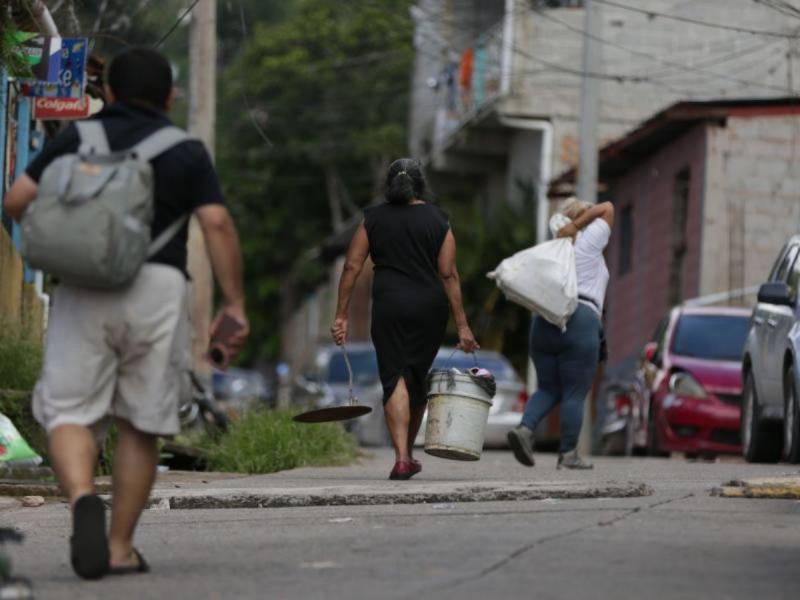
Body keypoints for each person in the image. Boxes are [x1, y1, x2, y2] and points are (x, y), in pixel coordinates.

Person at [3, 47, 249, 579]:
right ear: (169, 97)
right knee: (139, 422)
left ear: (108, 92)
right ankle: (118, 548)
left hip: (81, 287)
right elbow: (217, 225)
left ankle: (82, 498)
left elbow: (18, 198)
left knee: (68, 409)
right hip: (156, 287)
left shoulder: (78, 136)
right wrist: (234, 303)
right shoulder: (185, 150)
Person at [330, 158, 479, 480]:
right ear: (421, 184)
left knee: (394, 377)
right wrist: (463, 325)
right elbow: (448, 273)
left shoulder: (373, 219)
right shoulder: (439, 219)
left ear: (389, 184)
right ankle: (408, 455)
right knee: (416, 378)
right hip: (430, 307)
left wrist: (341, 314)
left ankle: (401, 457)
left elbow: (352, 267)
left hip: (389, 306)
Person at [507, 198, 614, 470]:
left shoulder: (551, 248)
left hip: (543, 320)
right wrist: (580, 224)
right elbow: (609, 207)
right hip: (580, 319)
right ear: (582, 219)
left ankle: (525, 428)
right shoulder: (587, 242)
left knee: (548, 388)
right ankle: (568, 454)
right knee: (574, 392)